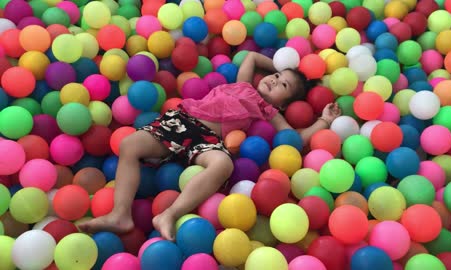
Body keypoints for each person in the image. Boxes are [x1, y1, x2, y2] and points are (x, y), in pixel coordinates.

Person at [78, 51, 342, 241]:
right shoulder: (243, 84)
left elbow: (295, 137)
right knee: (129, 145)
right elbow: (250, 55)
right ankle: (120, 214)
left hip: (208, 140)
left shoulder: (268, 111)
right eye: (274, 75)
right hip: (182, 122)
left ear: (283, 104)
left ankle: (169, 214)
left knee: (223, 164)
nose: (273, 80)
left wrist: (323, 120)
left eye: (282, 85)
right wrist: (285, 68)